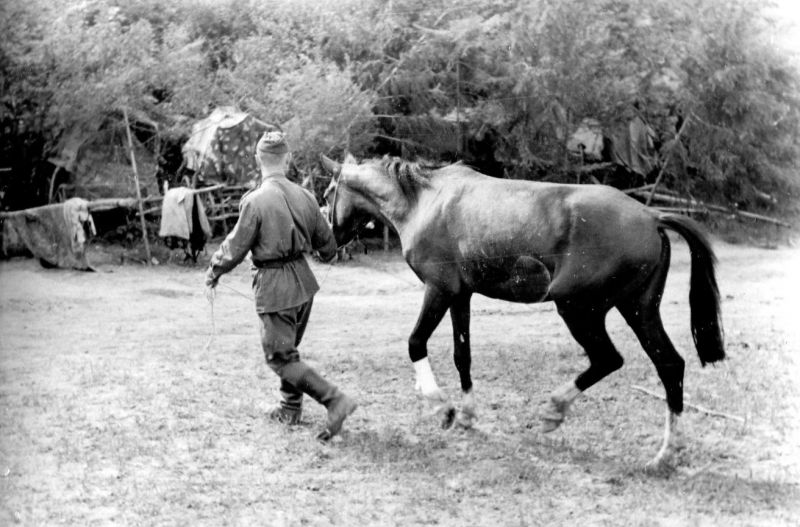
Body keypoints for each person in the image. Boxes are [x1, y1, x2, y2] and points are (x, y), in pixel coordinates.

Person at [204, 130, 357, 441]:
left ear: (258, 159)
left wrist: (214, 270)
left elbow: (236, 245)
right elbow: (327, 248)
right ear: (287, 159)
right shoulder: (307, 197)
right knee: (290, 350)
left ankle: (335, 400)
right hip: (303, 284)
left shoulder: (255, 201)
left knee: (280, 357)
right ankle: (289, 408)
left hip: (275, 287)